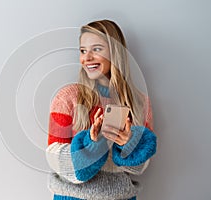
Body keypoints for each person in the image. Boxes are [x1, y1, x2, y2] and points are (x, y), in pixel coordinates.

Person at [46, 19, 157, 200]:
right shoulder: (66, 98)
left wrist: (129, 144)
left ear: (115, 53)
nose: (86, 58)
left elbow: (140, 168)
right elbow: (54, 158)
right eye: (83, 51)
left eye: (96, 49)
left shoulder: (140, 103)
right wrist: (91, 144)